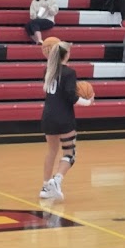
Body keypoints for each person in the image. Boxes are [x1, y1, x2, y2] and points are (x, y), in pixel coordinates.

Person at [39, 40, 93, 201]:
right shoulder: (69, 73)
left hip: (48, 116)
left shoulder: (48, 71)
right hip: (63, 117)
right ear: (67, 55)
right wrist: (88, 102)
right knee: (70, 153)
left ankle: (45, 187)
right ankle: (57, 180)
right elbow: (71, 97)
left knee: (51, 151)